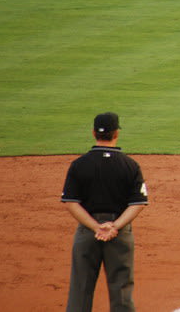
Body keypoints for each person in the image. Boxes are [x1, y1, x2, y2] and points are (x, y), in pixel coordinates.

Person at [61, 112, 148, 312]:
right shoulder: (130, 165)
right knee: (121, 287)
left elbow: (71, 202)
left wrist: (95, 227)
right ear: (116, 133)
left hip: (87, 231)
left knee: (80, 287)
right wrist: (114, 226)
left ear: (94, 133)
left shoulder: (79, 165)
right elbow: (138, 203)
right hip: (120, 232)